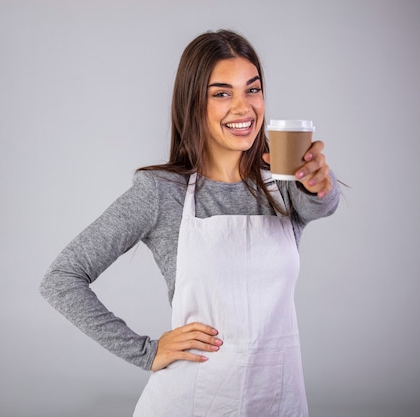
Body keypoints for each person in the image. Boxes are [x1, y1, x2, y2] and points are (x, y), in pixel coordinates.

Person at [40, 29, 340, 417]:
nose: (244, 107)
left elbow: (321, 205)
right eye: (221, 93)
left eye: (252, 89)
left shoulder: (284, 185)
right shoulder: (161, 192)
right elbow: (61, 278)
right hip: (193, 402)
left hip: (276, 402)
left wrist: (319, 183)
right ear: (193, 104)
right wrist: (146, 351)